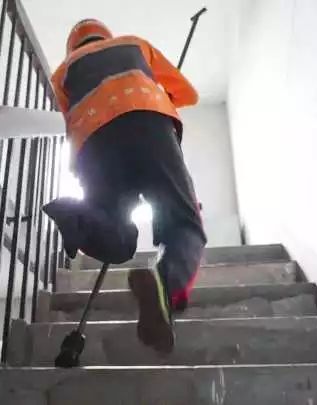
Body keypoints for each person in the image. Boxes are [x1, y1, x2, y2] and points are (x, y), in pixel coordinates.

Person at [43, 18, 206, 354]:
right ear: (105, 35)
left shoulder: (63, 71)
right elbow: (188, 94)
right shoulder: (133, 43)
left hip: (92, 141)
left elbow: (67, 117)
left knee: (117, 239)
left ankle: (77, 215)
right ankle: (166, 283)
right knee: (184, 223)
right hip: (148, 122)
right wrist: (163, 94)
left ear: (72, 46)